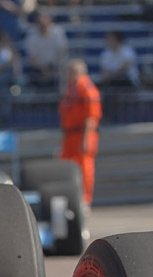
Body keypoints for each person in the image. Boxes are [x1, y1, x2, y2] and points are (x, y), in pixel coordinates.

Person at [58, 59, 102, 207]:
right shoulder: (71, 88)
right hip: (70, 134)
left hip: (83, 134)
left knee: (85, 167)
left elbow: (91, 117)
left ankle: (85, 199)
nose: (69, 75)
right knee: (65, 165)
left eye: (72, 72)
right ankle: (70, 197)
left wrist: (86, 139)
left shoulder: (88, 90)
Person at [98, 31, 140, 122]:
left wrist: (112, 74)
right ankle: (106, 118)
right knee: (105, 89)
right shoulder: (106, 54)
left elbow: (125, 67)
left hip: (128, 82)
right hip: (113, 82)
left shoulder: (127, 50)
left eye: (110, 38)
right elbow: (104, 72)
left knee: (118, 79)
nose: (107, 41)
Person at [24, 11, 69, 90]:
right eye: (41, 23)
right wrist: (45, 70)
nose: (43, 26)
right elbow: (32, 58)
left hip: (56, 67)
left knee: (65, 73)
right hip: (39, 69)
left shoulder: (58, 33)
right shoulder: (31, 36)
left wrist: (55, 70)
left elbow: (62, 53)